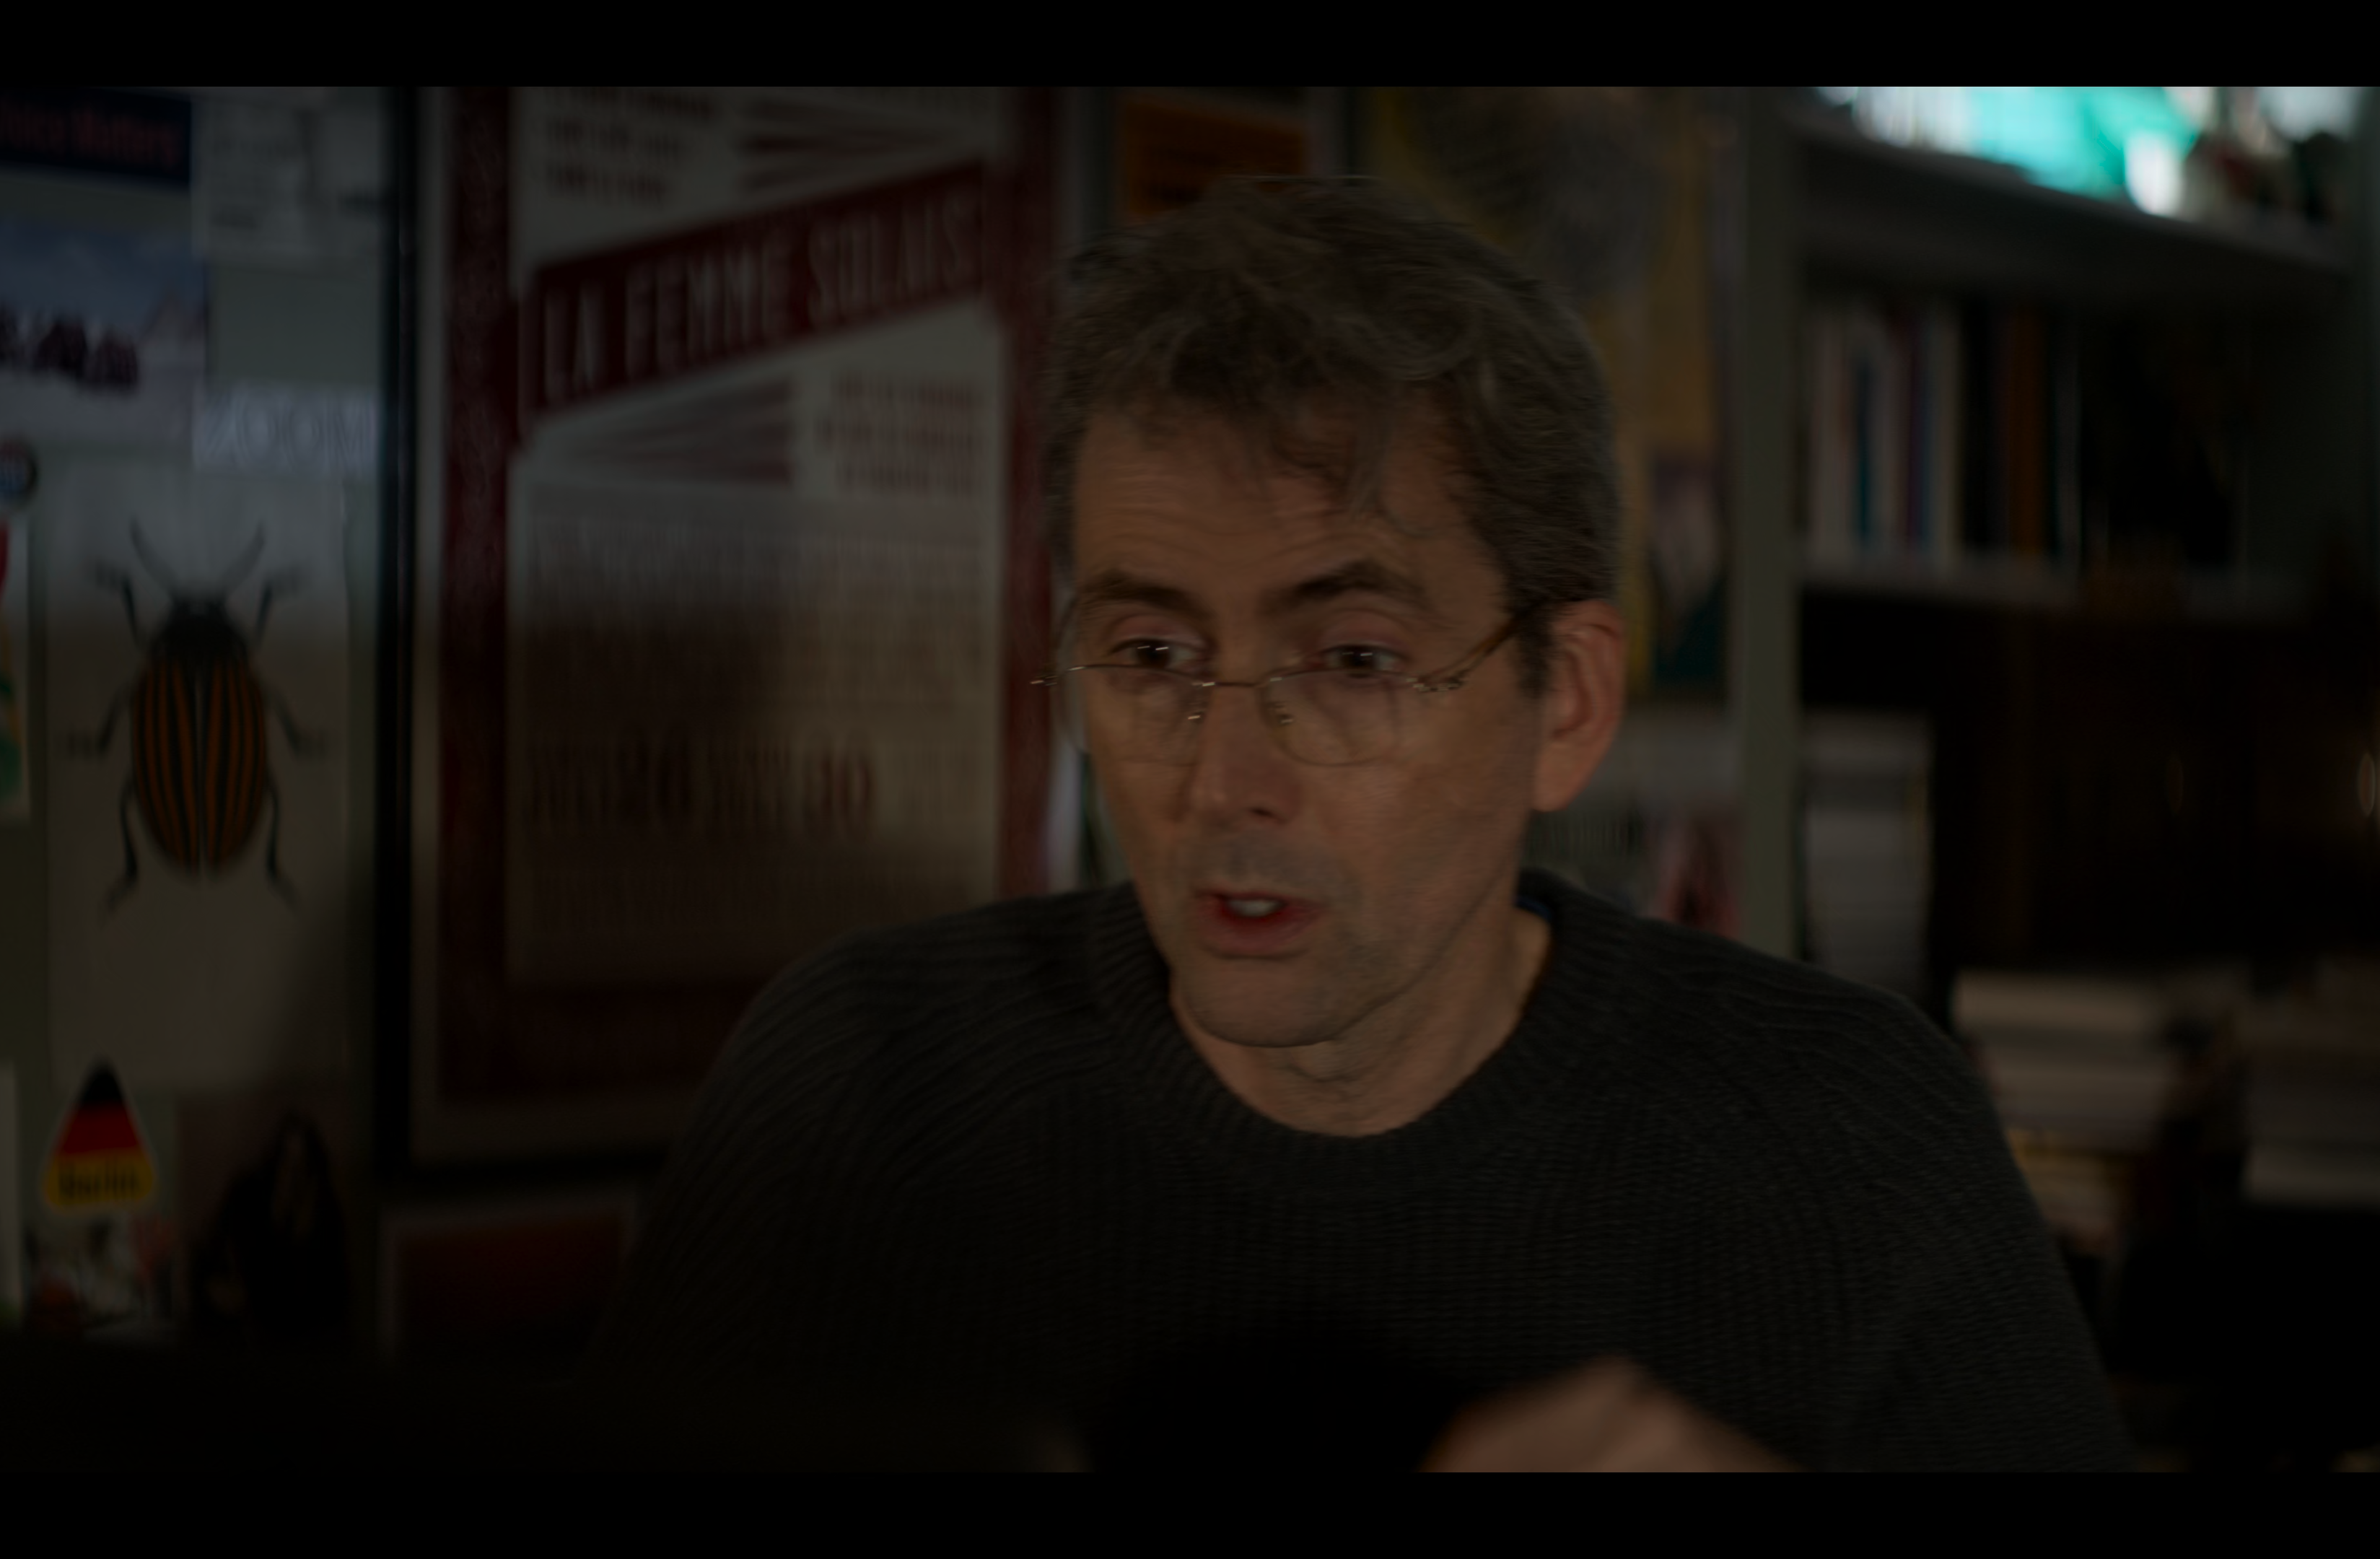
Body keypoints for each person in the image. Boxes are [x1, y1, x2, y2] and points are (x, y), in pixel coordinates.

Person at [587, 177, 2135, 1472]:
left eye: (1351, 664)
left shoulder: (1853, 1144)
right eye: (1152, 655)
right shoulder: (860, 1095)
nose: (1224, 782)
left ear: (1566, 703)